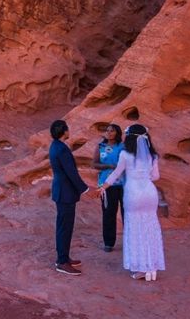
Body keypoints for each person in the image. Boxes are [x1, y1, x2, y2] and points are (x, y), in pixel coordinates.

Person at [98, 124, 165, 281]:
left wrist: (104, 186)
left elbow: (116, 173)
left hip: (133, 194)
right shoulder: (152, 156)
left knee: (135, 229)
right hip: (149, 193)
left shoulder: (125, 155)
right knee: (150, 227)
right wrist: (144, 176)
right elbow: (156, 177)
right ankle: (151, 267)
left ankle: (140, 267)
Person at [49, 119, 92, 276]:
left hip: (62, 191)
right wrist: (86, 189)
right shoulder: (61, 149)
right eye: (67, 129)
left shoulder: (56, 146)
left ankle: (64, 257)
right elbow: (71, 173)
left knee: (64, 226)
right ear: (64, 131)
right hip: (65, 193)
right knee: (65, 227)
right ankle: (62, 262)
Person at [91, 124, 124, 252]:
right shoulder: (101, 147)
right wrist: (108, 166)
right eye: (107, 131)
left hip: (123, 184)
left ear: (118, 133)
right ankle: (109, 242)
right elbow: (94, 163)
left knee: (126, 212)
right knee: (109, 213)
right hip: (106, 184)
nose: (109, 133)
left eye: (112, 131)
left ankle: (130, 240)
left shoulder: (123, 147)